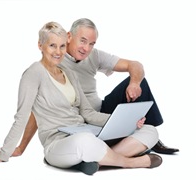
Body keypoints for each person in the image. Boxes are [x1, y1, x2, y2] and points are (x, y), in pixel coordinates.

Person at [0, 21, 162, 175]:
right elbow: (22, 116)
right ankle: (130, 162)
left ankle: (97, 161)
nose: (58, 52)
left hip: (86, 132)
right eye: (52, 45)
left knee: (149, 130)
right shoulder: (33, 74)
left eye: (61, 46)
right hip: (58, 142)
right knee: (85, 141)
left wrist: (124, 121)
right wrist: (6, 152)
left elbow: (88, 113)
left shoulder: (69, 74)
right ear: (40, 46)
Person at [11, 18, 179, 157]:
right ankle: (123, 151)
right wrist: (21, 147)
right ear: (69, 36)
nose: (86, 48)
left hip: (98, 112)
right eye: (82, 41)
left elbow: (134, 64)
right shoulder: (54, 60)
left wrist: (134, 83)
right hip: (73, 118)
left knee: (139, 81)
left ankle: (146, 139)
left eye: (91, 43)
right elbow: (37, 108)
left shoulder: (94, 55)